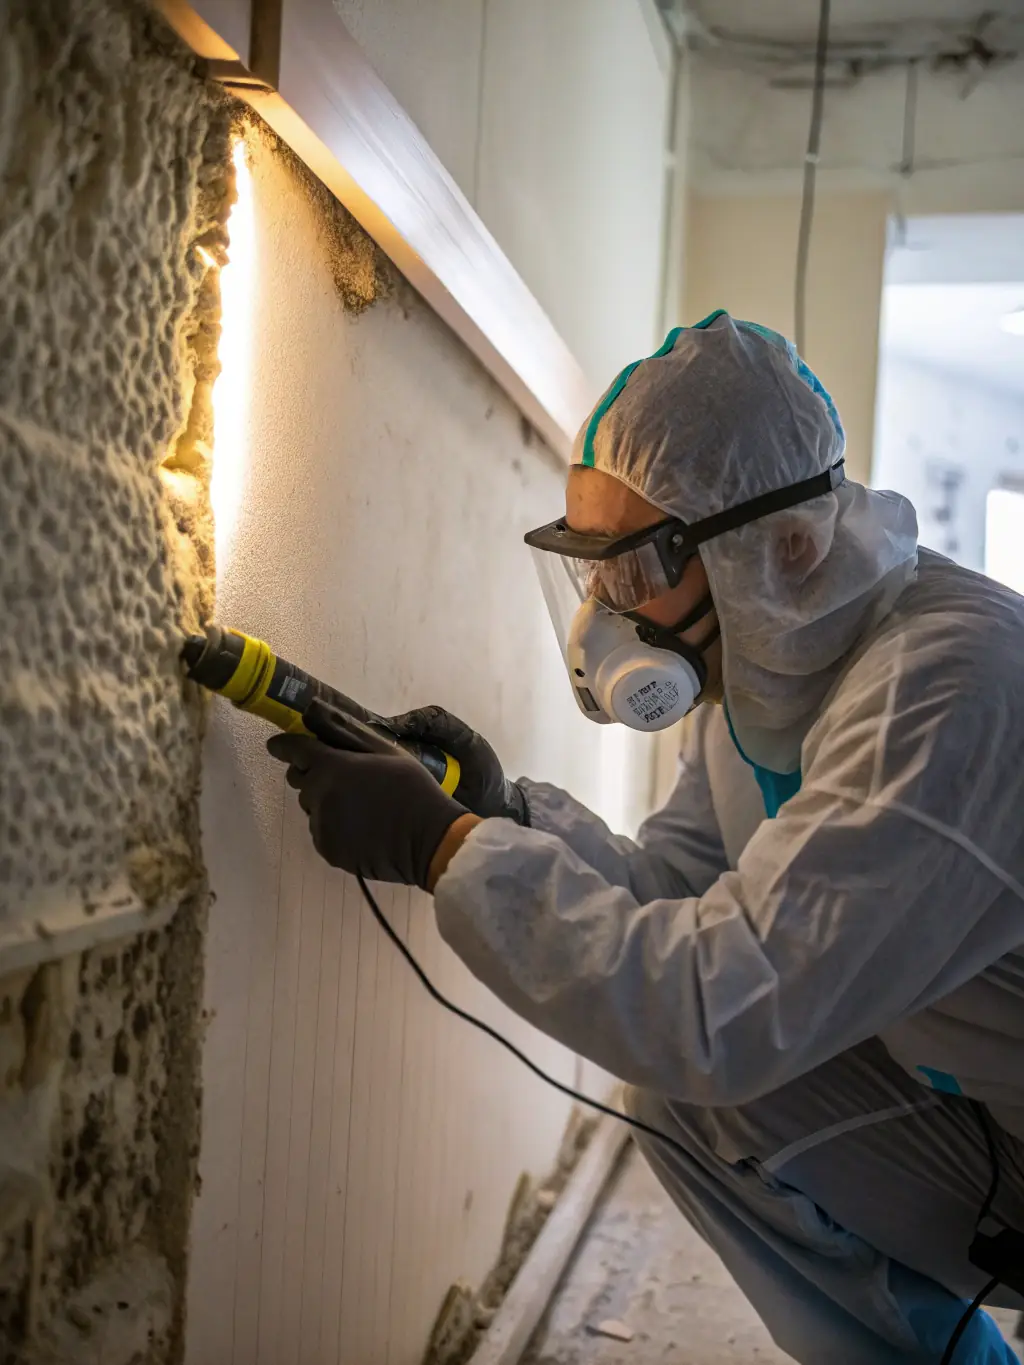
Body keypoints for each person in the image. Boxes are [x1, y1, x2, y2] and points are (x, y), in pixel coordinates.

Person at [268, 311, 1024, 1364]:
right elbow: (677, 889)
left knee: (702, 1057)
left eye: (628, 574)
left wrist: (446, 852)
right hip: (980, 1110)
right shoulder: (767, 667)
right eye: (590, 574)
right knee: (683, 1100)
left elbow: (717, 1010)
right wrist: (499, 811)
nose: (600, 620)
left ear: (784, 546)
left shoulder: (942, 693)